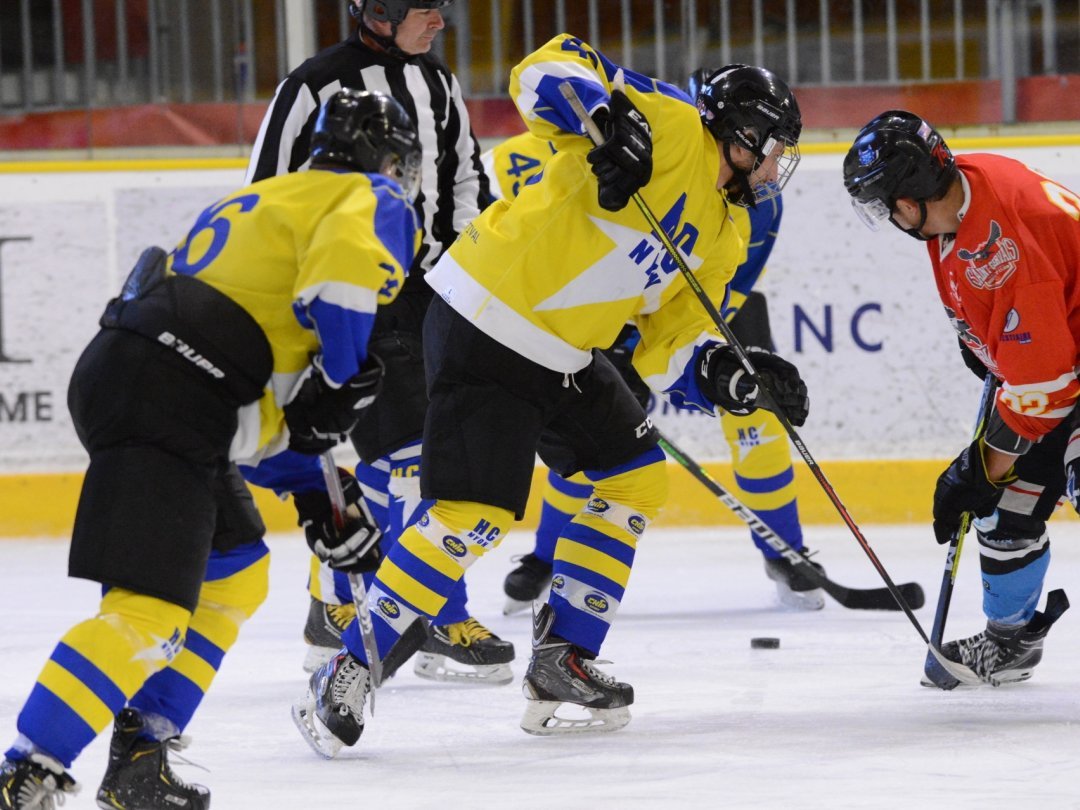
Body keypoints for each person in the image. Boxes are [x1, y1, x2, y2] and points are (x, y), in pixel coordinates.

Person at [292, 35, 806, 756]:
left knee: (632, 477)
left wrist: (732, 369)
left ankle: (560, 660)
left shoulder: (728, 229)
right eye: (774, 148)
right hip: (489, 314)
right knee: (472, 515)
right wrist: (604, 116)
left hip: (564, 353)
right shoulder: (667, 120)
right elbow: (548, 66)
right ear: (740, 134)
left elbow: (671, 342)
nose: (778, 166)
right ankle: (346, 669)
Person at [0, 88, 421, 809]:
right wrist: (342, 379)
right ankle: (27, 771)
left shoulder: (264, 201)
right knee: (149, 612)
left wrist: (320, 495)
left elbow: (237, 414)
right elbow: (344, 280)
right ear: (388, 159)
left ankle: (141, 759)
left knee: (232, 572)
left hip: (151, 382)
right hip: (171, 394)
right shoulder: (367, 197)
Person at [489, 68, 827, 616]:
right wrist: (617, 339)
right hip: (601, 304)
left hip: (699, 309)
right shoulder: (539, 151)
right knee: (589, 435)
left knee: (758, 417)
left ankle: (783, 549)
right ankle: (547, 555)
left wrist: (693, 355)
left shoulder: (759, 200)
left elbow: (725, 286)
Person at [246, 0, 511, 683]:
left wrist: (473, 270)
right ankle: (437, 615)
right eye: (428, 10)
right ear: (384, 11)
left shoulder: (439, 82)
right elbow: (266, 192)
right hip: (350, 286)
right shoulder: (314, 84)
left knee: (415, 450)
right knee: (413, 454)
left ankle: (332, 603)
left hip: (431, 290)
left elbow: (464, 182)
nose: (442, 23)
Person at [842, 110, 1074, 685]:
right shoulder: (958, 202)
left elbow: (1043, 385)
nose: (888, 216)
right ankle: (1011, 642)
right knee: (1004, 512)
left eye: (887, 201)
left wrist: (979, 467)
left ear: (914, 191)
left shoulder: (1001, 246)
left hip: (1061, 370)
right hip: (1061, 360)